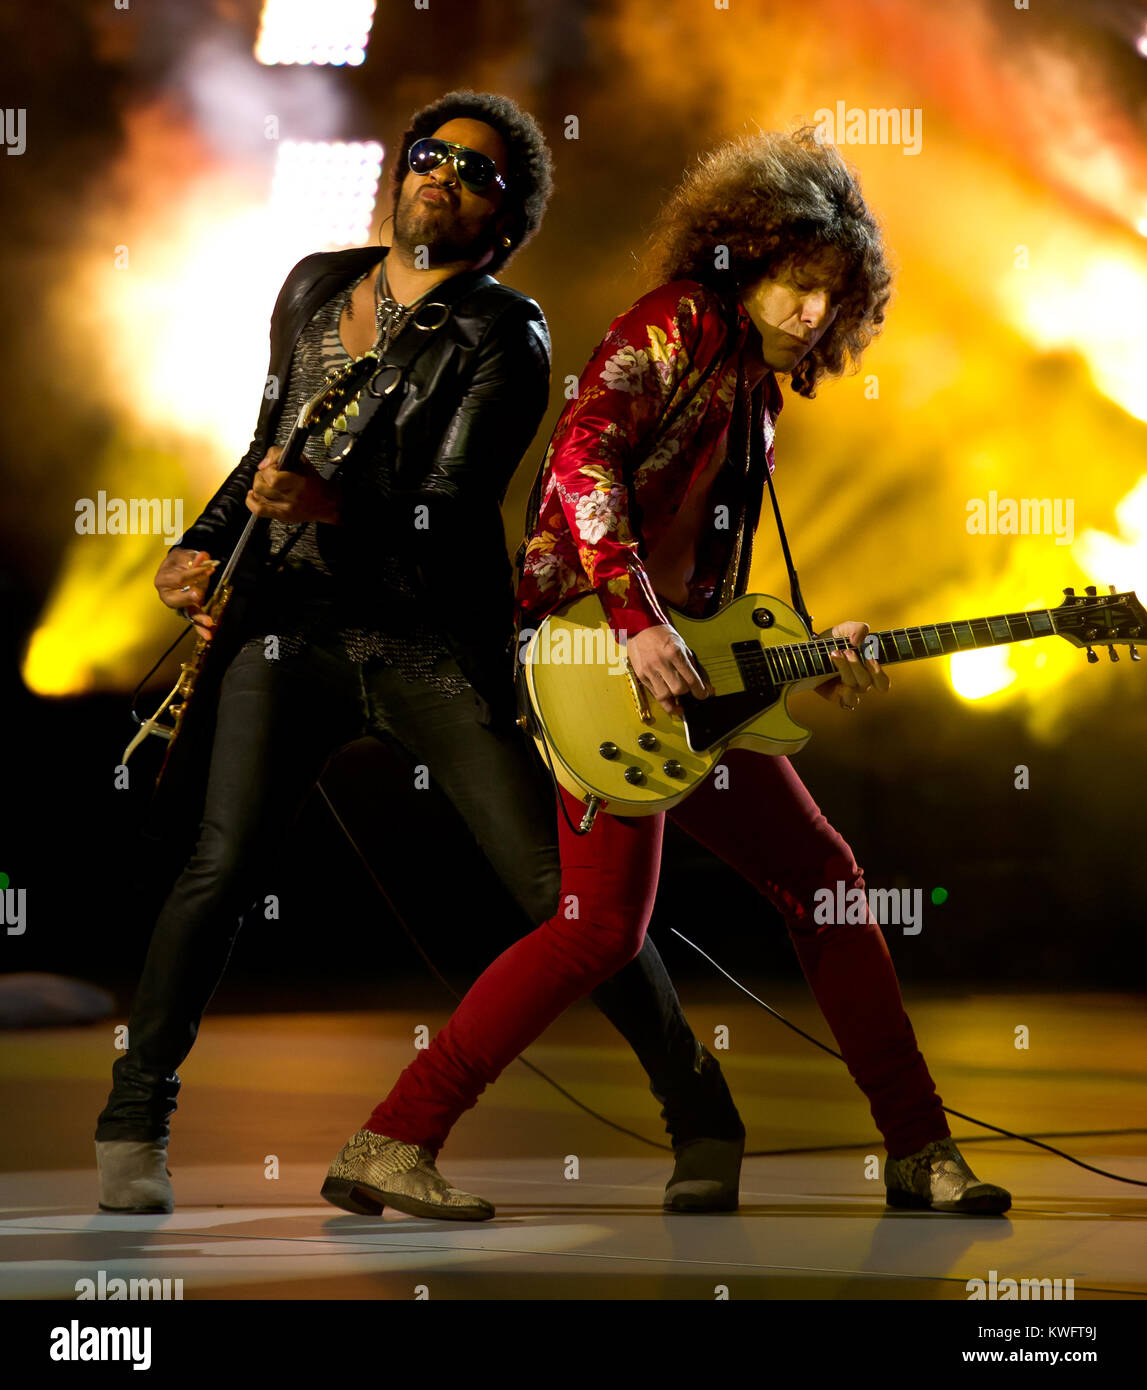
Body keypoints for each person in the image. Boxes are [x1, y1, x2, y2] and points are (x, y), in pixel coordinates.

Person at [324, 126, 1012, 1220]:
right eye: (795, 284)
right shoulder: (680, 322)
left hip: (684, 676)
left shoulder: (757, 391)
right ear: (748, 256)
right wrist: (636, 620)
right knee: (601, 927)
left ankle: (920, 1149)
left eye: (831, 299)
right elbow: (583, 455)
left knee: (821, 883)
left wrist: (801, 652)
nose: (808, 314)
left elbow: (712, 578)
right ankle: (392, 1136)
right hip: (597, 652)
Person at [94, 90, 745, 1217]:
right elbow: (266, 448)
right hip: (288, 624)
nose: (440, 174)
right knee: (220, 865)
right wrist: (199, 551)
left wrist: (332, 505)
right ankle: (134, 1118)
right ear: (399, 172)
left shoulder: (508, 332)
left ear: (506, 220)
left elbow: (450, 513)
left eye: (474, 172)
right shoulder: (312, 285)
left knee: (562, 897)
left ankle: (699, 1109)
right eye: (429, 155)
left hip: (428, 642)